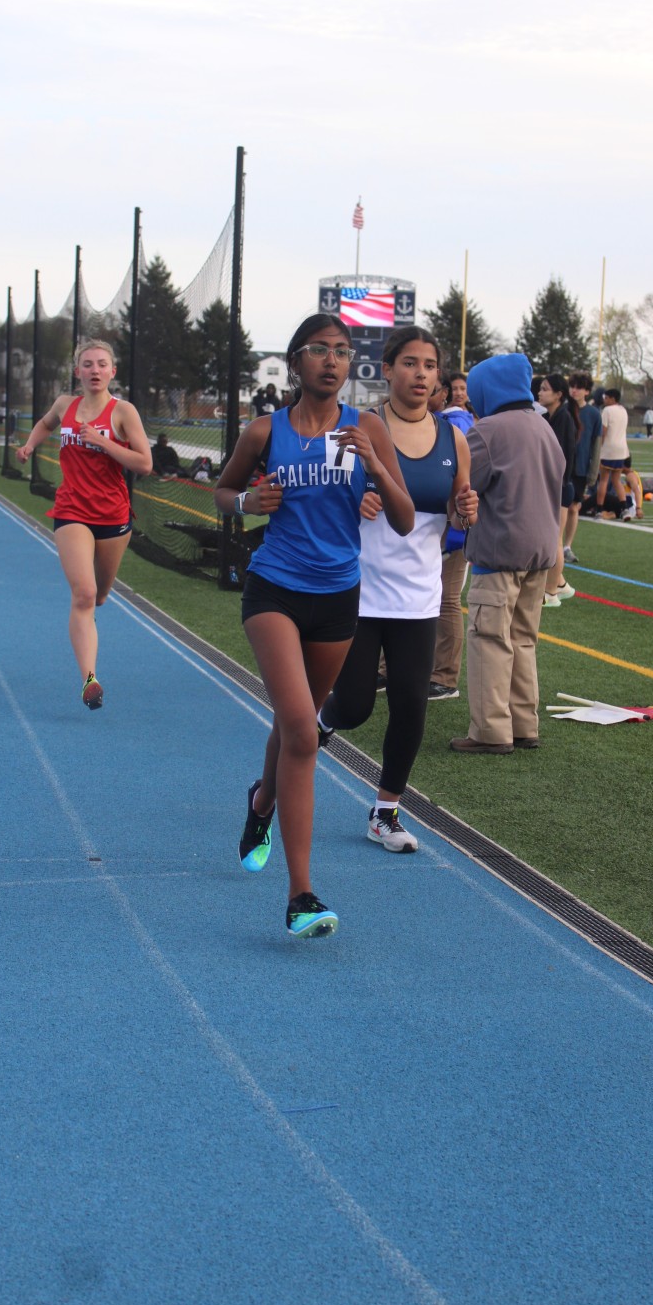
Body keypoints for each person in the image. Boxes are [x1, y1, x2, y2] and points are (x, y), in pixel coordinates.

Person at [215, 314, 413, 938]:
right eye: (320, 350)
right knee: (304, 729)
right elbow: (223, 493)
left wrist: (377, 469)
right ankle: (301, 896)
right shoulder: (265, 431)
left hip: (338, 597)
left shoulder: (367, 428)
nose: (332, 361)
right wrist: (248, 502)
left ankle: (262, 802)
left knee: (292, 724)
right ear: (296, 361)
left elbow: (405, 519)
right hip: (274, 589)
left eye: (342, 351)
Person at [317, 327, 477, 853]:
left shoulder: (454, 438)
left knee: (411, 706)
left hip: (419, 597)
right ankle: (317, 724)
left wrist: (465, 510)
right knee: (355, 706)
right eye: (409, 363)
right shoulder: (357, 428)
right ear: (387, 370)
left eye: (429, 365)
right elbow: (325, 501)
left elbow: (456, 512)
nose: (420, 374)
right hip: (359, 589)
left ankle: (385, 812)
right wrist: (355, 500)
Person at [15, 340, 153, 710]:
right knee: (84, 594)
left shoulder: (123, 411)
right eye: (87, 364)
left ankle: (93, 614)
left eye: (101, 364)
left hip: (113, 516)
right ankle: (89, 679)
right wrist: (30, 446)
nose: (95, 370)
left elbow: (144, 464)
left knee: (101, 595)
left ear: (112, 371)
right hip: (72, 509)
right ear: (77, 371)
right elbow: (46, 423)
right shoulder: (66, 405)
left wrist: (103, 443)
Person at [450, 354, 564, 754]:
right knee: (523, 640)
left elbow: (463, 484)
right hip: (540, 552)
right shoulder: (543, 426)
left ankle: (490, 731)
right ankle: (523, 724)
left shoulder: (488, 431)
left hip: (499, 551)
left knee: (490, 639)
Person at [429, 369, 475, 701]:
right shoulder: (413, 423)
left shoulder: (456, 425)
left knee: (446, 598)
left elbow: (463, 484)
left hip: (448, 528)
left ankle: (445, 677)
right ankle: (387, 669)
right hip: (419, 527)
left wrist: (458, 527)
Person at [537, 374, 577, 606]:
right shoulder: (549, 417)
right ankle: (560, 583)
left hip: (559, 487)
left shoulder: (564, 418)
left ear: (559, 394)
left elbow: (562, 458)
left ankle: (551, 592)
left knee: (555, 541)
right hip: (551, 486)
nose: (540, 393)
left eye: (545, 389)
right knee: (549, 538)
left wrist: (554, 486)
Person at [563, 370, 601, 563]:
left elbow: (596, 445)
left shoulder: (594, 414)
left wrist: (593, 473)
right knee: (557, 507)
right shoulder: (563, 410)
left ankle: (567, 546)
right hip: (562, 467)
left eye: (579, 387)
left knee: (573, 507)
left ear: (587, 391)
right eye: (572, 386)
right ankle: (553, 544)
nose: (574, 390)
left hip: (580, 468)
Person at [595, 388, 631, 514]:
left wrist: (598, 448)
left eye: (606, 398)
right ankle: (624, 507)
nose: (604, 400)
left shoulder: (607, 410)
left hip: (609, 449)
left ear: (612, 399)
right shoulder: (623, 410)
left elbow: (603, 431)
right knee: (616, 480)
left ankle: (599, 508)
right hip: (622, 450)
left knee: (603, 480)